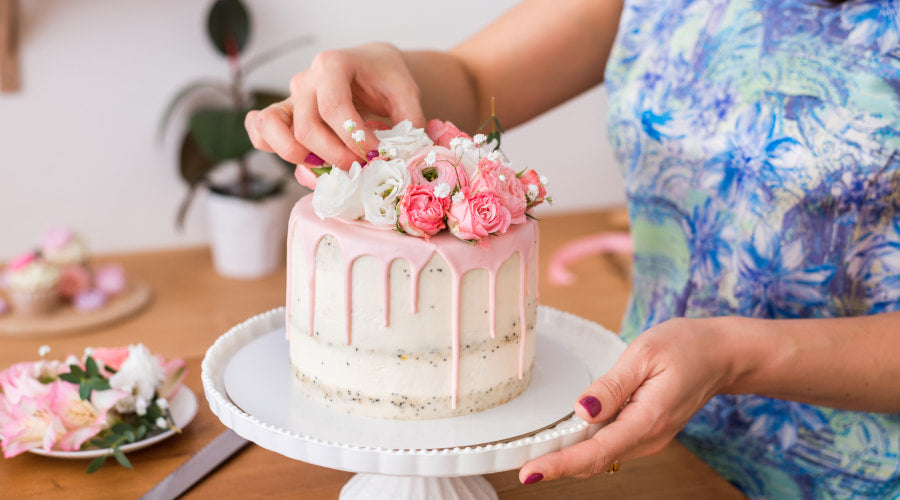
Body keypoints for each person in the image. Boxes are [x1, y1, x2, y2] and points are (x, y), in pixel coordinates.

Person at [245, 0, 900, 497]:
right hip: (644, 435)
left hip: (852, 470)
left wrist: (733, 355)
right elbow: (475, 81)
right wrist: (385, 70)